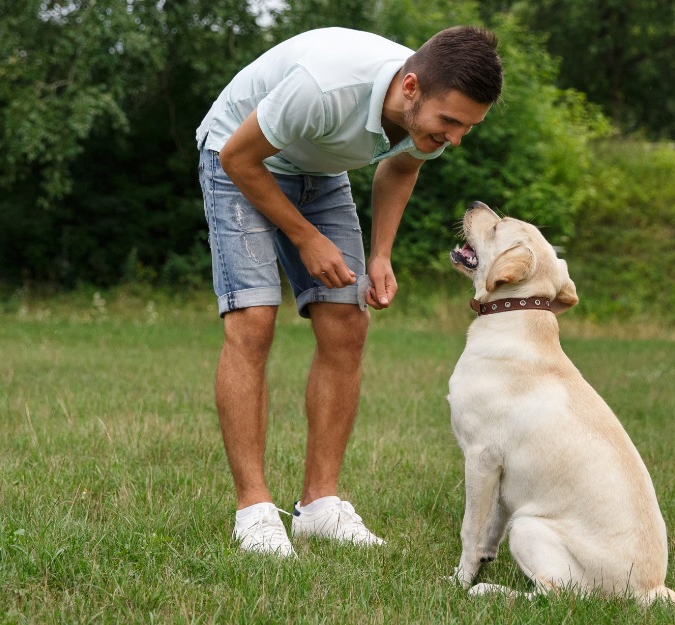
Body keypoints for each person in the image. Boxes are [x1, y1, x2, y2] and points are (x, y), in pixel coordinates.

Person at [195, 25, 503, 557]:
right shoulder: (324, 87)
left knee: (348, 324)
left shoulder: (429, 116)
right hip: (240, 156)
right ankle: (254, 511)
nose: (454, 139)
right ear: (410, 88)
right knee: (253, 321)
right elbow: (237, 159)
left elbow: (401, 165)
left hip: (320, 171)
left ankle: (319, 506)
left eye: (467, 129)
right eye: (450, 123)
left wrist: (381, 254)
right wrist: (305, 237)